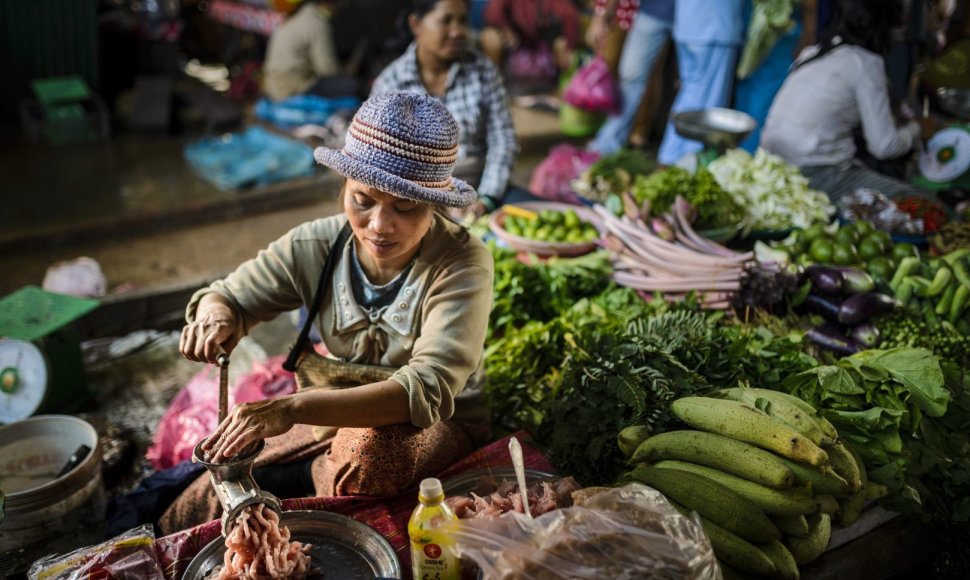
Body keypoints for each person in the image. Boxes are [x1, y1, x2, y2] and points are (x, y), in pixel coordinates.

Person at [158, 91, 494, 534]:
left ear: (435, 203)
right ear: (343, 189)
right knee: (188, 508)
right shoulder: (314, 245)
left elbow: (426, 388)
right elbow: (229, 296)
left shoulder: (463, 262)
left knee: (373, 455)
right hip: (328, 424)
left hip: (434, 427)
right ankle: (310, 478)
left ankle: (302, 482)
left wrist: (293, 409)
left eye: (405, 207)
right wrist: (216, 316)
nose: (379, 225)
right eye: (363, 200)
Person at [372, 0, 537, 218]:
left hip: (480, 185)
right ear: (416, 25)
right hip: (415, 200)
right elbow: (381, 164)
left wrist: (485, 198)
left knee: (545, 218)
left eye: (462, 21)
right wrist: (428, 202)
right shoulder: (390, 85)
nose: (457, 31)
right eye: (446, 21)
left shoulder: (483, 71)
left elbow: (502, 140)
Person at [760, 0, 934, 203]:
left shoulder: (814, 52)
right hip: (813, 175)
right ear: (884, 25)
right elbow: (885, 146)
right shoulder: (865, 63)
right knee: (924, 202)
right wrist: (917, 129)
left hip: (771, 165)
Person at [656, 0, 747, 166]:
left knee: (690, 94)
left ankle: (669, 158)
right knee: (707, 108)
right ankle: (688, 165)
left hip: (689, 23)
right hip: (714, 28)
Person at [586, 0, 675, 155]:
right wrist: (602, 13)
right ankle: (609, 141)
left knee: (680, 82)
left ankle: (649, 137)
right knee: (630, 76)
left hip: (691, 17)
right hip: (652, 12)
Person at [262, 0, 360, 101]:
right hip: (293, 88)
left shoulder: (293, 18)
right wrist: (345, 72)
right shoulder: (317, 22)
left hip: (272, 87)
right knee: (353, 86)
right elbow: (326, 69)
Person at [479, 0, 582, 82]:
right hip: (515, 48)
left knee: (563, 46)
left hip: (543, 50)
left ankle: (561, 91)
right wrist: (506, 29)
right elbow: (492, 12)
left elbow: (569, 16)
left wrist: (565, 44)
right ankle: (495, 83)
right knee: (490, 36)